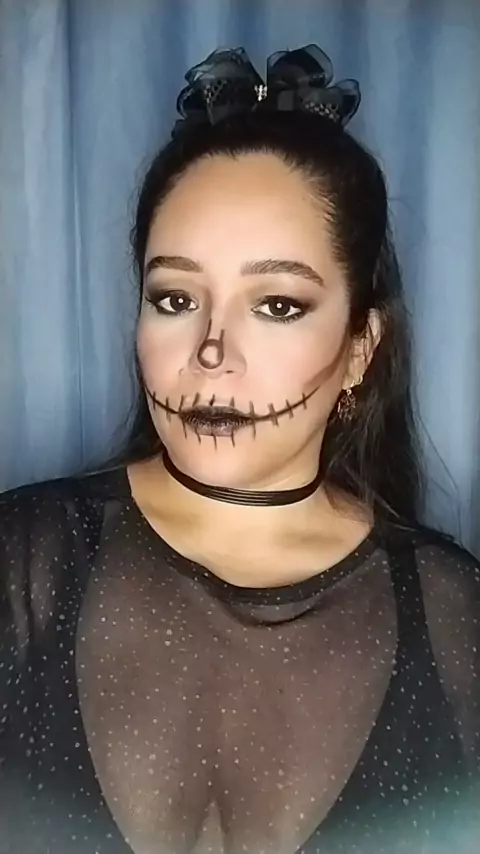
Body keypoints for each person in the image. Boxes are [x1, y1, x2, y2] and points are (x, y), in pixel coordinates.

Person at [0, 44, 479, 854]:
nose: (212, 351)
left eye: (278, 305)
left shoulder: (456, 618)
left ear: (361, 348)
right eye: (174, 298)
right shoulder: (20, 567)